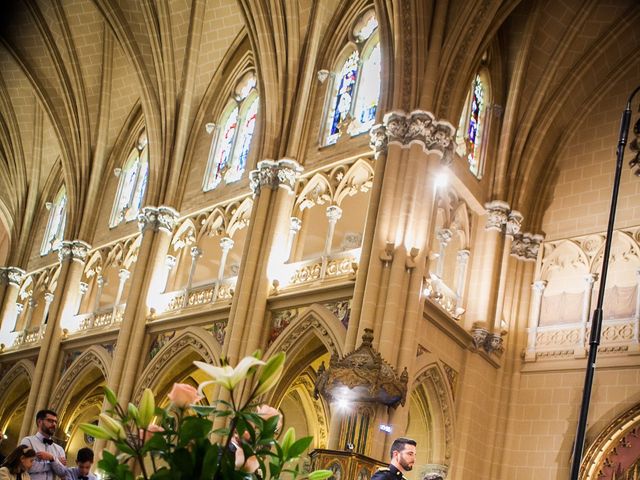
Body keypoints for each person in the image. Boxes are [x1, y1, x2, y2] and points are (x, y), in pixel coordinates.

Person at [20, 410, 67, 480]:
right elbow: (26, 466)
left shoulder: (59, 449)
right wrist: (55, 462)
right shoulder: (28, 441)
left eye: (55, 422)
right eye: (50, 421)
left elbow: (63, 473)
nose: (54, 424)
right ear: (39, 422)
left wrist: (52, 458)